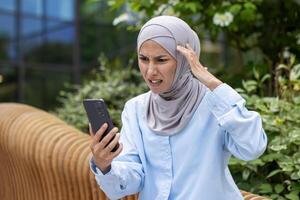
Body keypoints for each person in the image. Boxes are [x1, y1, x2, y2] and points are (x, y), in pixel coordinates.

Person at [89, 15, 267, 200]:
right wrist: (105, 166)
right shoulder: (136, 109)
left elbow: (252, 147)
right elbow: (131, 179)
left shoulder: (214, 104)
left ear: (184, 59)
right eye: (143, 59)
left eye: (161, 60)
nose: (150, 71)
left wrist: (213, 83)